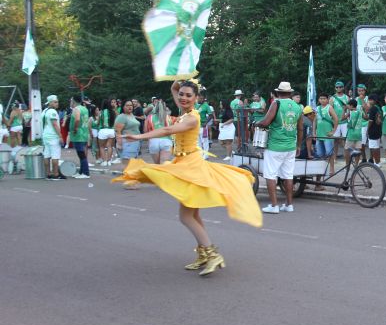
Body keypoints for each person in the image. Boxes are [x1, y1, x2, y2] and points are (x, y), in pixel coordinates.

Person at [114, 80, 261, 276]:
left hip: (191, 167)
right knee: (193, 215)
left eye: (188, 95)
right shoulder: (185, 112)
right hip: (183, 163)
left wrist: (140, 137)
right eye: (181, 94)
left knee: (185, 216)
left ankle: (212, 254)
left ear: (196, 98)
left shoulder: (192, 117)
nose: (183, 97)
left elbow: (167, 130)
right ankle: (203, 254)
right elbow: (174, 88)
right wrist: (179, 79)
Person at [256, 81, 304, 214]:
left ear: (278, 92)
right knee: (288, 176)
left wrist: (256, 124)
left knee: (270, 175)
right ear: (290, 93)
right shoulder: (297, 107)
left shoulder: (275, 103)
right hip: (290, 146)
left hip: (275, 146)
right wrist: (298, 145)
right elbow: (300, 129)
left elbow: (266, 122)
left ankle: (274, 205)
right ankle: (289, 205)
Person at [313, 93, 339, 176]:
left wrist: (333, 131)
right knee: (320, 153)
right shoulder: (317, 108)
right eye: (321, 98)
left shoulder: (329, 107)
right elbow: (314, 121)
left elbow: (336, 119)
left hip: (327, 134)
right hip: (319, 134)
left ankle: (332, 169)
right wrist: (314, 132)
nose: (322, 100)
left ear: (327, 100)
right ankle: (323, 169)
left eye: (324, 98)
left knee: (329, 152)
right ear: (318, 100)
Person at [42, 95, 67, 180]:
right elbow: (54, 124)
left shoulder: (44, 111)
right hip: (53, 136)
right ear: (50, 103)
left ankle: (48, 173)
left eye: (57, 102)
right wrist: (60, 136)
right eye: (55, 102)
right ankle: (55, 174)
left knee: (47, 155)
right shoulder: (52, 111)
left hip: (45, 135)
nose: (57, 104)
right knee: (55, 155)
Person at [68, 95, 91, 179]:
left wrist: (75, 128)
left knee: (81, 154)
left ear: (74, 101)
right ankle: (81, 171)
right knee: (82, 153)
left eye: (71, 100)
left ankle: (85, 172)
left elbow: (77, 119)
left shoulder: (76, 109)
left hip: (78, 134)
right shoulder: (84, 108)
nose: (70, 102)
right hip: (84, 132)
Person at [146, 100, 174, 164]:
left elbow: (145, 131)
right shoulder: (169, 118)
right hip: (166, 141)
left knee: (157, 165)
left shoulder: (149, 117)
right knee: (164, 165)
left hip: (153, 141)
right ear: (165, 107)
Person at [115, 100, 142, 164]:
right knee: (127, 165)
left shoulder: (132, 115)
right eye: (127, 105)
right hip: (127, 144)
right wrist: (119, 144)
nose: (130, 107)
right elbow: (117, 131)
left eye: (131, 105)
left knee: (132, 165)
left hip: (136, 142)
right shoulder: (121, 117)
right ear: (123, 107)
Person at [330, 81, 350, 159]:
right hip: (336, 122)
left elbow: (350, 109)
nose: (338, 88)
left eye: (340, 87)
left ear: (343, 88)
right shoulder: (332, 98)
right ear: (335, 88)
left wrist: (346, 115)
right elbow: (330, 110)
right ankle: (334, 158)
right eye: (337, 87)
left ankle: (347, 158)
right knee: (335, 140)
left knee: (346, 140)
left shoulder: (346, 97)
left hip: (345, 121)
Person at [344, 99, 364, 165]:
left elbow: (342, 118)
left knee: (347, 150)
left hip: (351, 134)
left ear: (351, 105)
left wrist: (344, 110)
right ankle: (356, 165)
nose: (347, 106)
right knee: (357, 150)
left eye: (348, 105)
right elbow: (366, 117)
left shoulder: (350, 112)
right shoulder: (360, 112)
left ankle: (347, 165)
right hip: (359, 134)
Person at [366, 94, 382, 165]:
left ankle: (377, 163)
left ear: (374, 100)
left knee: (374, 147)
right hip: (379, 129)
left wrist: (367, 129)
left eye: (370, 100)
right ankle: (378, 162)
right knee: (377, 146)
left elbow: (370, 121)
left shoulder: (373, 108)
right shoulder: (379, 108)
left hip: (373, 130)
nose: (369, 101)